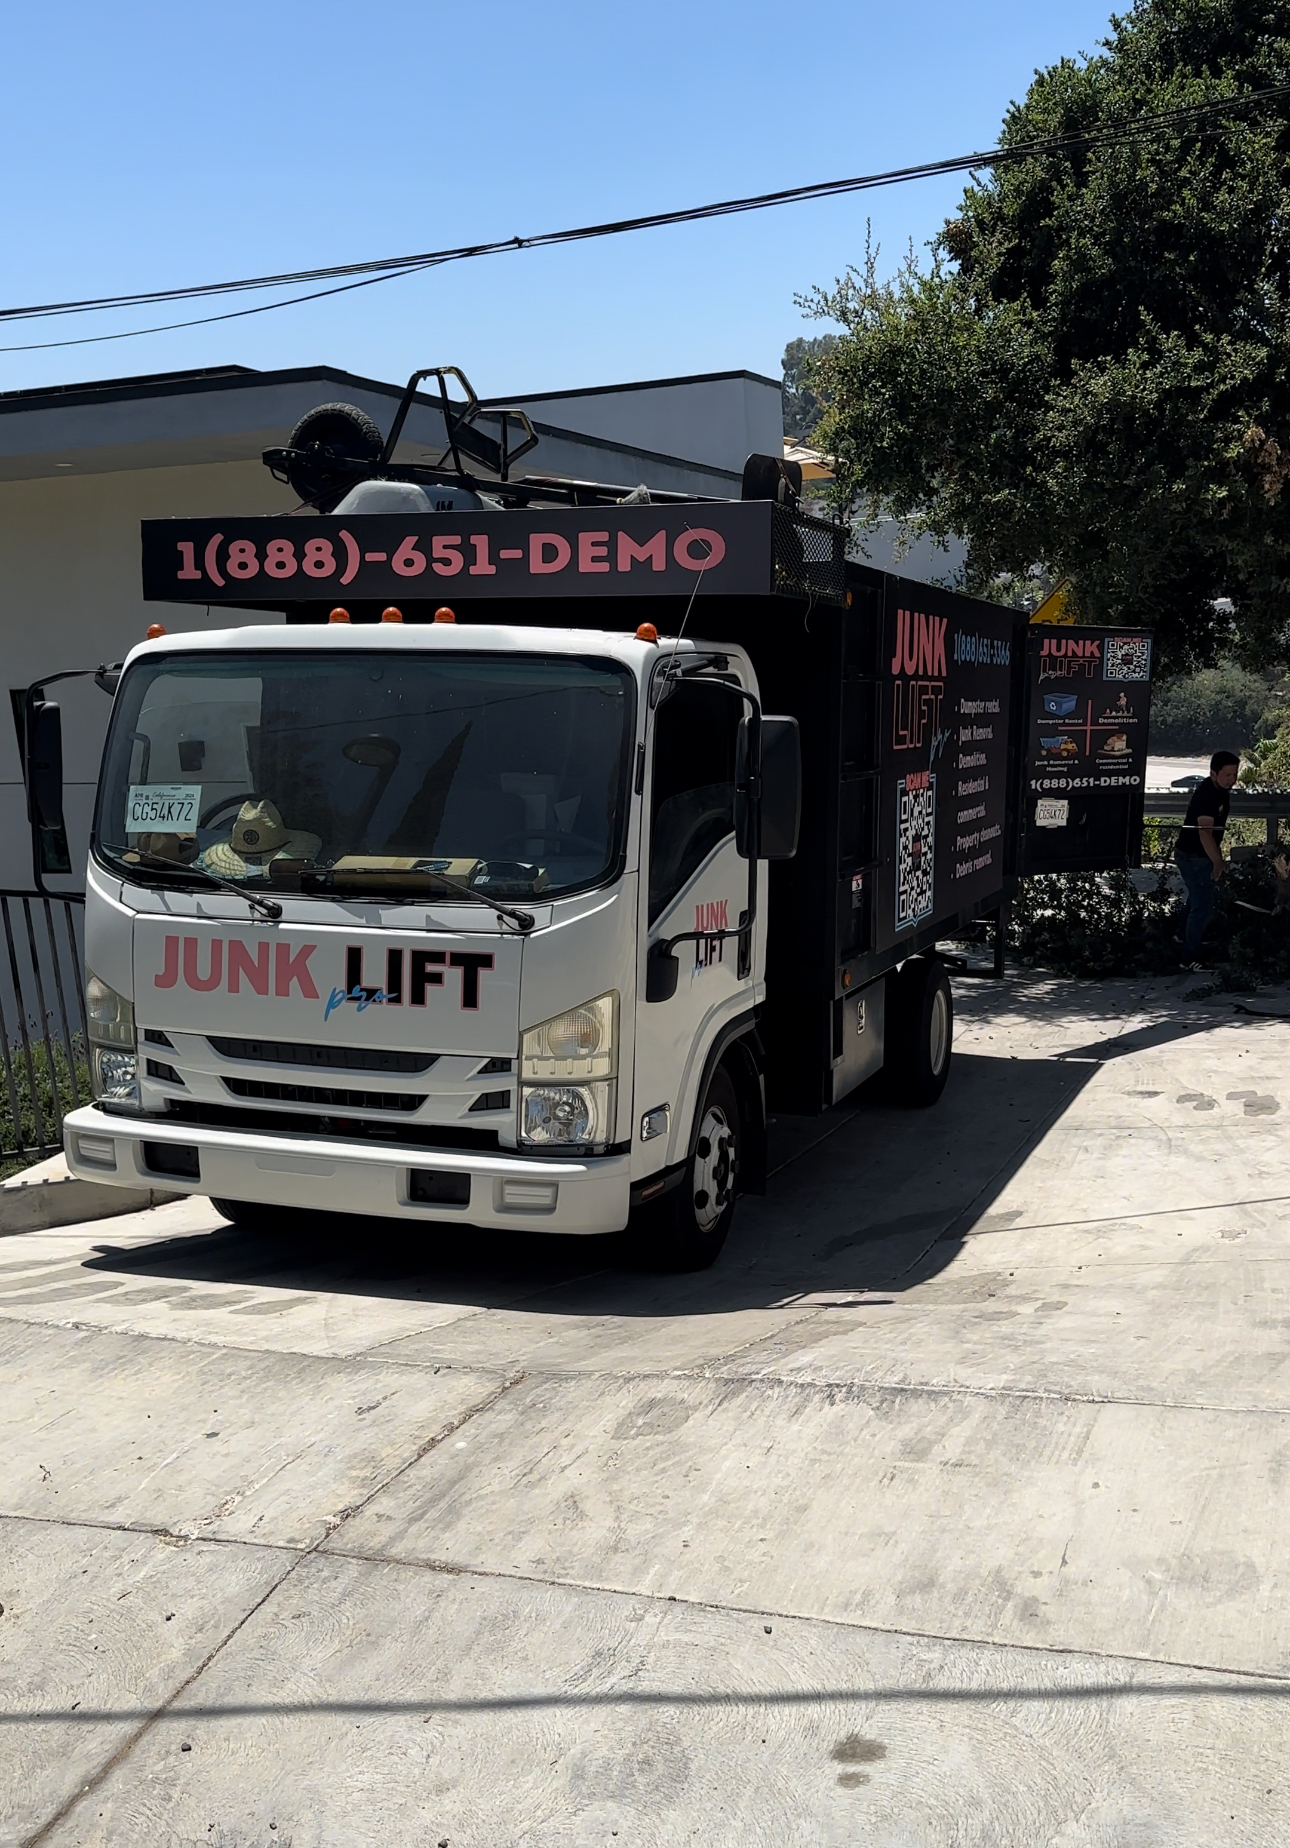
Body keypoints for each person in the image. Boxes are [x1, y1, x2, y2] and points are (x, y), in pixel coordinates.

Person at [1174, 750, 1241, 967]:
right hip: (1194, 856)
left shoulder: (1220, 790)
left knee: (1196, 897)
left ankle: (1181, 936)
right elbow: (1205, 832)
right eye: (1227, 775)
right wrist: (1218, 862)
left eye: (1234, 774)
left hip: (1199, 855)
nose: (1232, 780)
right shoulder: (1208, 795)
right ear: (1214, 774)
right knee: (1203, 904)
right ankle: (1190, 957)